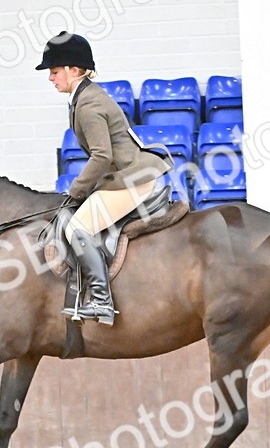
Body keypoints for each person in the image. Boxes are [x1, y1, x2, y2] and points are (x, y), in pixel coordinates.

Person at [36, 31, 171, 325]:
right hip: (123, 174)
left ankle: (100, 301)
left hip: (129, 179)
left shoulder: (89, 104)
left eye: (55, 71)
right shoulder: (84, 97)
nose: (50, 78)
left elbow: (101, 156)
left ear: (74, 70)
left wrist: (76, 189)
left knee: (76, 230)